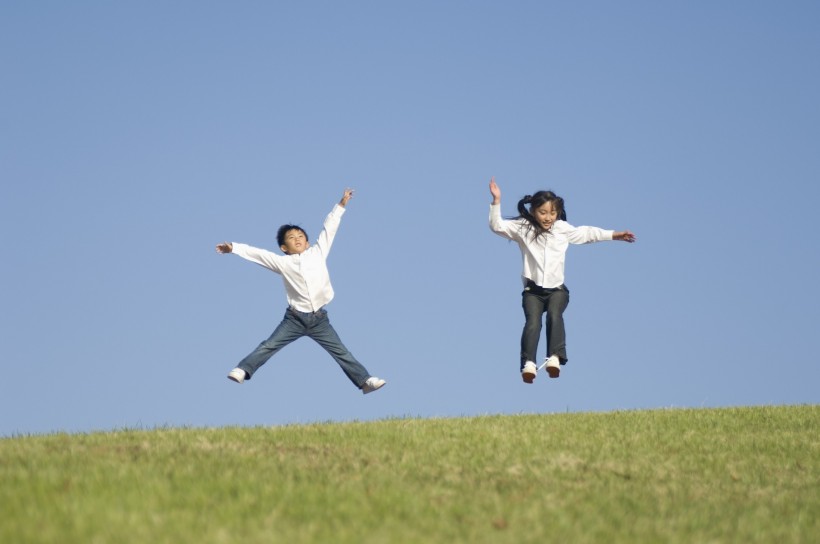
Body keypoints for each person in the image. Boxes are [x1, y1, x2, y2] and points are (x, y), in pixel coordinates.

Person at [215, 188, 386, 394]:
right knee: (270, 345)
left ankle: (365, 382)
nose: (297, 238)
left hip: (320, 320)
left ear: (307, 241)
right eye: (291, 237)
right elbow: (257, 254)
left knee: (341, 352)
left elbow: (329, 228)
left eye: (300, 235)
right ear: (284, 247)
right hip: (294, 319)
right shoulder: (282, 263)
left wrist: (340, 205)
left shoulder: (318, 252)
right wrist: (233, 247)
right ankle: (242, 369)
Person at [488, 177, 636, 384]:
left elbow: (587, 233)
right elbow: (497, 226)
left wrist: (614, 235)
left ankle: (555, 358)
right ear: (533, 212)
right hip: (533, 291)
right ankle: (528, 364)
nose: (548, 217)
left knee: (554, 316)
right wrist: (496, 201)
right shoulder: (524, 229)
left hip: (557, 290)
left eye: (552, 213)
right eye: (542, 212)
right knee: (533, 323)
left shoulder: (562, 229)